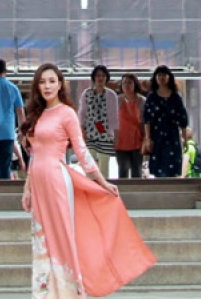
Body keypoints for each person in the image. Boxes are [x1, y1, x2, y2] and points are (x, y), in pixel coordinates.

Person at [20, 63, 156, 298]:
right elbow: (34, 156)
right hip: (39, 184)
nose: (47, 86)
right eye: (42, 82)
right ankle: (47, 292)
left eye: (52, 81)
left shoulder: (67, 113)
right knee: (42, 239)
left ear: (60, 84)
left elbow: (81, 151)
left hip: (57, 182)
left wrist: (102, 182)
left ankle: (72, 292)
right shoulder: (37, 115)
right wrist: (27, 188)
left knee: (62, 236)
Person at [142, 65, 189, 178]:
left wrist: (184, 138)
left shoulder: (176, 97)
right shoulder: (151, 97)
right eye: (159, 75)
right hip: (157, 136)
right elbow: (147, 119)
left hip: (172, 136)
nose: (161, 77)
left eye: (164, 75)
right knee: (158, 168)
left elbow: (183, 118)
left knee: (173, 168)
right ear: (155, 78)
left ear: (169, 77)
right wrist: (148, 138)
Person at [77, 65, 119, 179]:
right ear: (94, 77)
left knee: (104, 168)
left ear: (106, 78)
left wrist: (116, 136)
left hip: (105, 135)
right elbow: (82, 113)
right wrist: (82, 131)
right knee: (89, 167)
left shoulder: (111, 95)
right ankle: (91, 191)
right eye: (98, 75)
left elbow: (114, 117)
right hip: (90, 134)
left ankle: (104, 192)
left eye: (103, 75)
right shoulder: (87, 93)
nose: (100, 78)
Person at [115, 73, 146, 178]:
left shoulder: (142, 101)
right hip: (121, 142)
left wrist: (146, 138)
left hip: (137, 141)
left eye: (129, 82)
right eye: (124, 83)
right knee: (122, 170)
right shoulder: (117, 100)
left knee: (137, 171)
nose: (126, 85)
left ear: (135, 84)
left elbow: (145, 122)